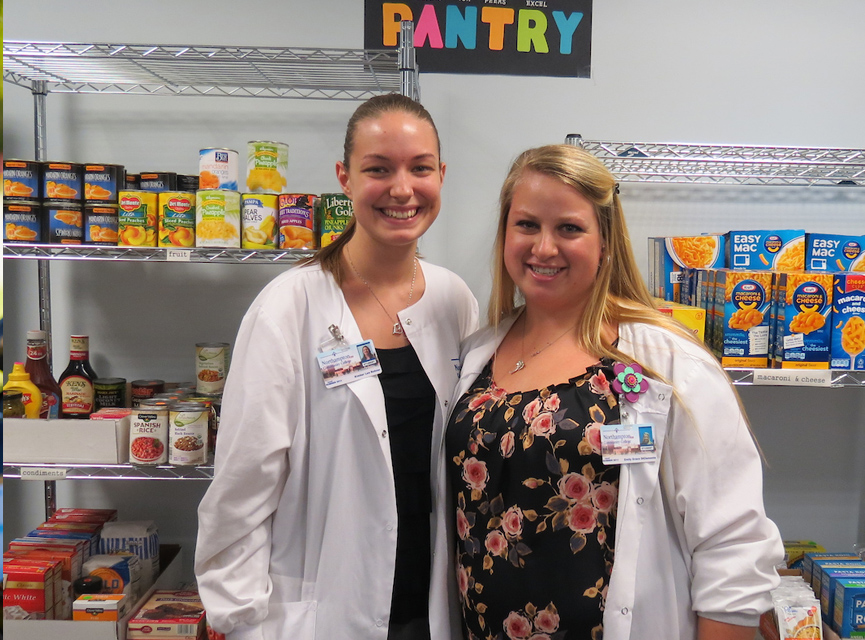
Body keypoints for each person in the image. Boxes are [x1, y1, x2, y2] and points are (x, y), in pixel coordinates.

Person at [430, 145, 782, 640]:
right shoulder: (478, 354)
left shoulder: (664, 363)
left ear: (606, 242)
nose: (544, 248)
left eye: (569, 228)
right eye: (526, 225)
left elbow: (732, 543)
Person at [196, 93, 479, 640]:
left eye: (420, 168)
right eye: (378, 169)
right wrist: (238, 617)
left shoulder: (454, 299)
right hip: (322, 604)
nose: (402, 189)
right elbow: (242, 483)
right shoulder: (289, 306)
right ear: (344, 178)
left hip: (434, 602)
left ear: (441, 175)